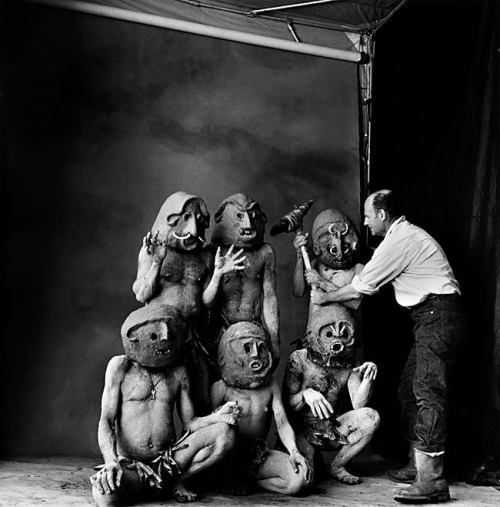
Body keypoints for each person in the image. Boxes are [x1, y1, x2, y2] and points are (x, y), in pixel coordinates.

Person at [311, 189, 465, 503]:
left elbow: (359, 290)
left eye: (368, 216)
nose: (365, 224)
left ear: (382, 215)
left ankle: (433, 480)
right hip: (430, 316)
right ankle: (415, 464)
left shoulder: (400, 240)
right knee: (409, 388)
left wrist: (324, 296)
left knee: (427, 391)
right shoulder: (400, 238)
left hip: (437, 314)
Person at [90, 303, 242, 505]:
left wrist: (218, 416)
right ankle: (143, 485)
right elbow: (106, 421)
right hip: (130, 465)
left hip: (170, 461)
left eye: (170, 335)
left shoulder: (178, 372)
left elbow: (190, 424)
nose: (164, 340)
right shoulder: (120, 367)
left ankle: (175, 481)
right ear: (135, 338)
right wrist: (111, 461)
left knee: (225, 434)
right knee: (106, 498)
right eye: (154, 336)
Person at [284, 303, 380, 485]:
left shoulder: (348, 364)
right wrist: (306, 394)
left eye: (343, 334)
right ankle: (313, 459)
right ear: (315, 333)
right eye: (329, 334)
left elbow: (359, 405)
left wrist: (368, 379)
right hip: (303, 432)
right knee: (305, 479)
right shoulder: (300, 359)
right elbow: (286, 404)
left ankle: (337, 465)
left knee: (371, 417)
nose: (338, 341)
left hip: (332, 429)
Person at [211, 321, 311, 495]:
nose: (256, 354)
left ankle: (250, 482)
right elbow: (210, 432)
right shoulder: (220, 388)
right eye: (247, 348)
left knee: (299, 479)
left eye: (260, 347)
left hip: (256, 456)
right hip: (226, 458)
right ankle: (227, 478)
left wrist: (294, 451)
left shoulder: (271, 386)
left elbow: (282, 423)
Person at [207, 193, 279, 361]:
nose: (248, 223)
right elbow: (205, 303)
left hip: (254, 329)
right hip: (219, 331)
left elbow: (269, 298)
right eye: (239, 216)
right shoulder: (212, 252)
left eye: (252, 216)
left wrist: (274, 339)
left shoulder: (264, 253)